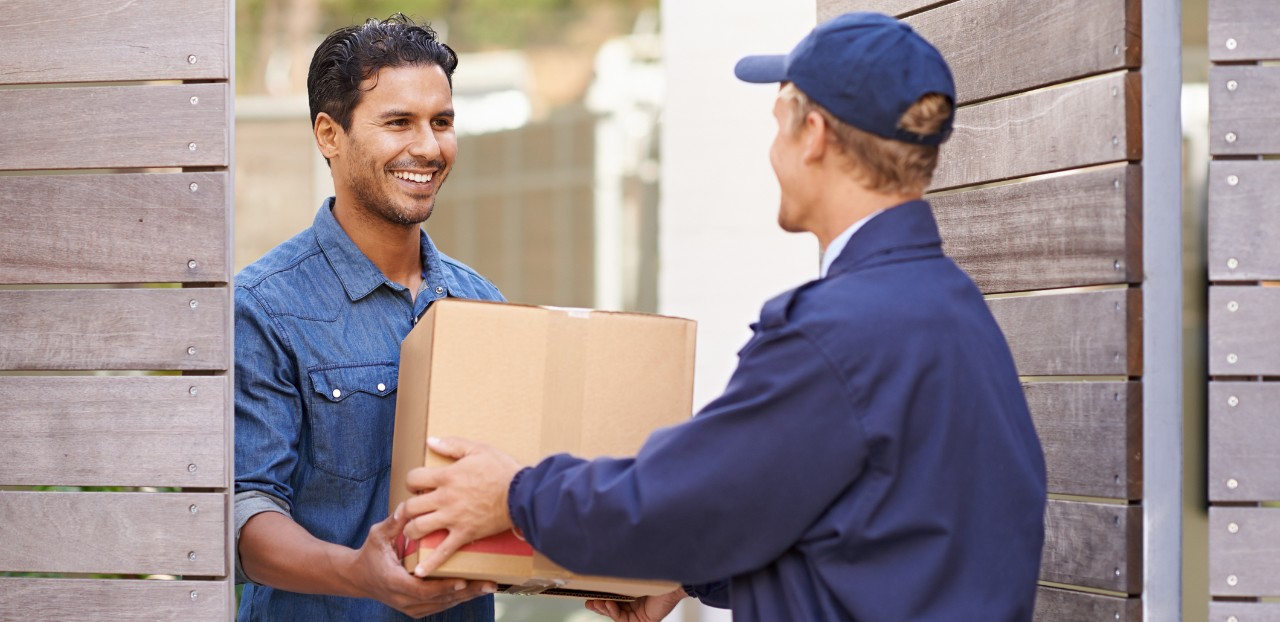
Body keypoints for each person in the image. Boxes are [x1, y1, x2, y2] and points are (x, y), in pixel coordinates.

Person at [396, 12, 1048, 622]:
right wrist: (687, 575)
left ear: (813, 135)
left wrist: (514, 494)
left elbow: (687, 499)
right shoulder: (955, 311)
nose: (772, 152)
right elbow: (865, 537)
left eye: (778, 123)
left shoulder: (837, 331)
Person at [234, 15, 501, 621]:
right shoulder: (264, 306)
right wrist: (360, 574)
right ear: (329, 133)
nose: (429, 148)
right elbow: (246, 519)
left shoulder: (480, 303)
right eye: (398, 123)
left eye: (442, 122)